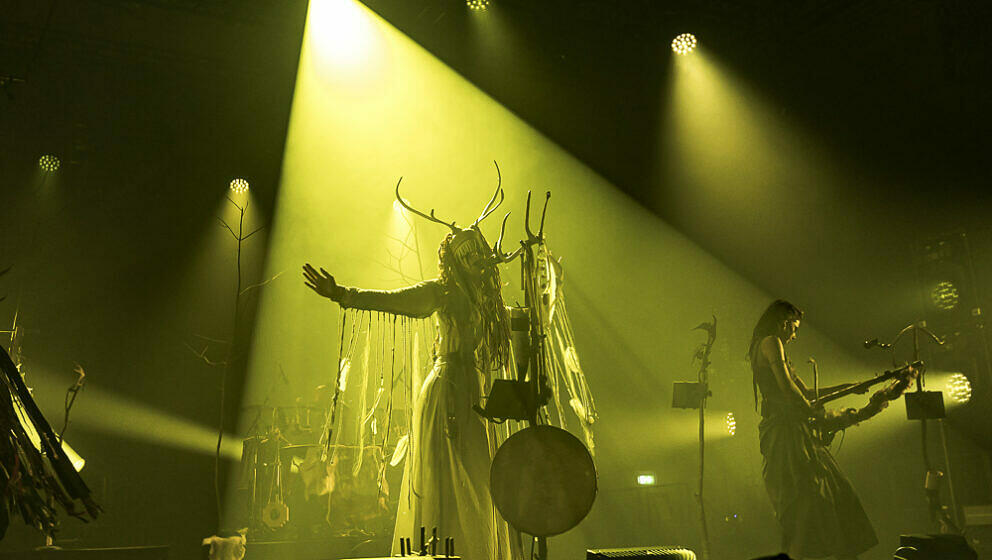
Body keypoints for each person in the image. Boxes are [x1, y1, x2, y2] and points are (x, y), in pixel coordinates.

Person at [303, 202, 519, 560]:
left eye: (475, 254)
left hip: (474, 392)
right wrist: (343, 294)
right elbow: (396, 301)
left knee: (479, 477)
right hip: (447, 391)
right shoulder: (442, 291)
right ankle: (446, 550)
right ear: (454, 259)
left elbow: (512, 321)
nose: (473, 262)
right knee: (448, 477)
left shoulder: (484, 299)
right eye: (465, 256)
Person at [747, 300, 879, 560]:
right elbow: (789, 390)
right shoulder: (771, 342)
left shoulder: (770, 344)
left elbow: (805, 393)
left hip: (795, 431)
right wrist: (818, 416)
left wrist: (847, 388)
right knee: (810, 497)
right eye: (794, 328)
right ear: (784, 322)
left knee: (825, 494)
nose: (794, 335)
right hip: (787, 436)